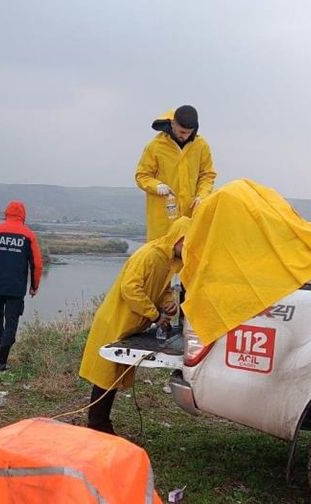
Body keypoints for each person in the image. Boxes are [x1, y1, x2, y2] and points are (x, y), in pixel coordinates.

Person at [79, 217, 191, 434]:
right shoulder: (149, 255)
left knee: (114, 376)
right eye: (188, 243)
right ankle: (97, 424)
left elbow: (164, 288)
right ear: (179, 238)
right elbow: (130, 289)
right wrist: (154, 314)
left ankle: (101, 423)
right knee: (105, 377)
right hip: (115, 321)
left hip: (130, 325)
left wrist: (168, 305)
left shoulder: (167, 260)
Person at [0, 200, 44, 371]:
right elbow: (37, 264)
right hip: (16, 288)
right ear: (23, 216)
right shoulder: (29, 235)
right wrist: (34, 285)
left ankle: (0, 351)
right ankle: (2, 361)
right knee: (11, 321)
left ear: (6, 213)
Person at [135, 105, 216, 241]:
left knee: (188, 255)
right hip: (163, 218)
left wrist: (202, 195)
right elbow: (142, 175)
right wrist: (157, 186)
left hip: (190, 216)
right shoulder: (155, 146)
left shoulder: (201, 146)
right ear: (173, 124)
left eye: (188, 132)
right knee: (160, 255)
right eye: (181, 131)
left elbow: (207, 175)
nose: (184, 135)